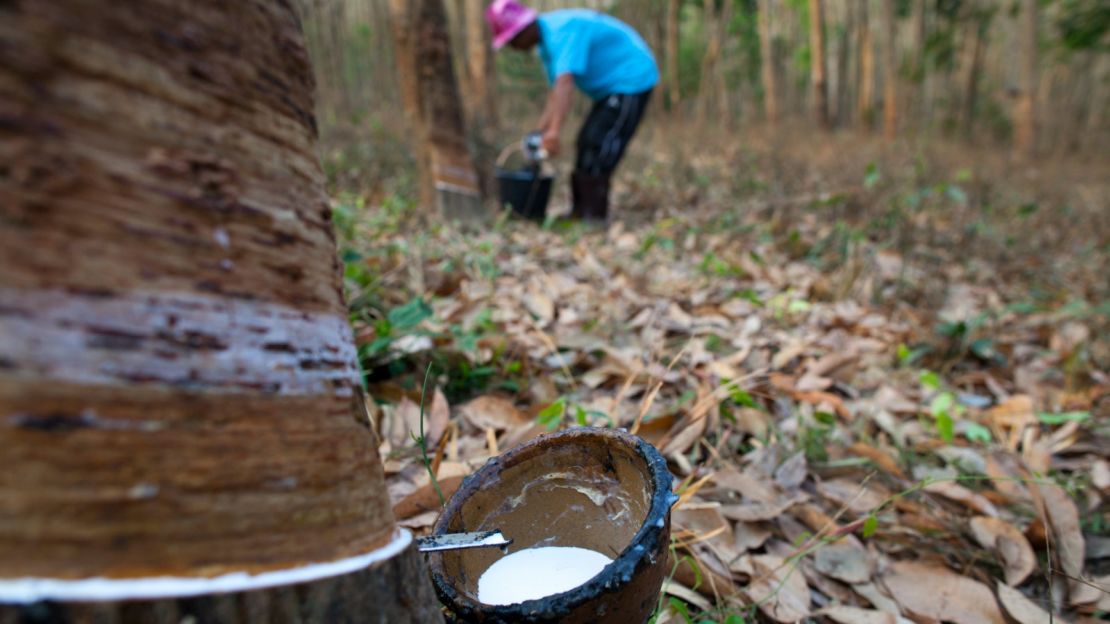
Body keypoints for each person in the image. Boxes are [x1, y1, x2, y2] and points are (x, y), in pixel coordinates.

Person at [486, 0, 658, 222]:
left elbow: (565, 83)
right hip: (610, 90)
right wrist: (541, 131)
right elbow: (555, 93)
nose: (514, 47)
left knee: (599, 144)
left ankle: (594, 216)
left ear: (525, 28)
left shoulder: (561, 32)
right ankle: (579, 213)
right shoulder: (546, 44)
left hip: (631, 79)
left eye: (513, 39)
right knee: (586, 142)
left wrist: (554, 132)